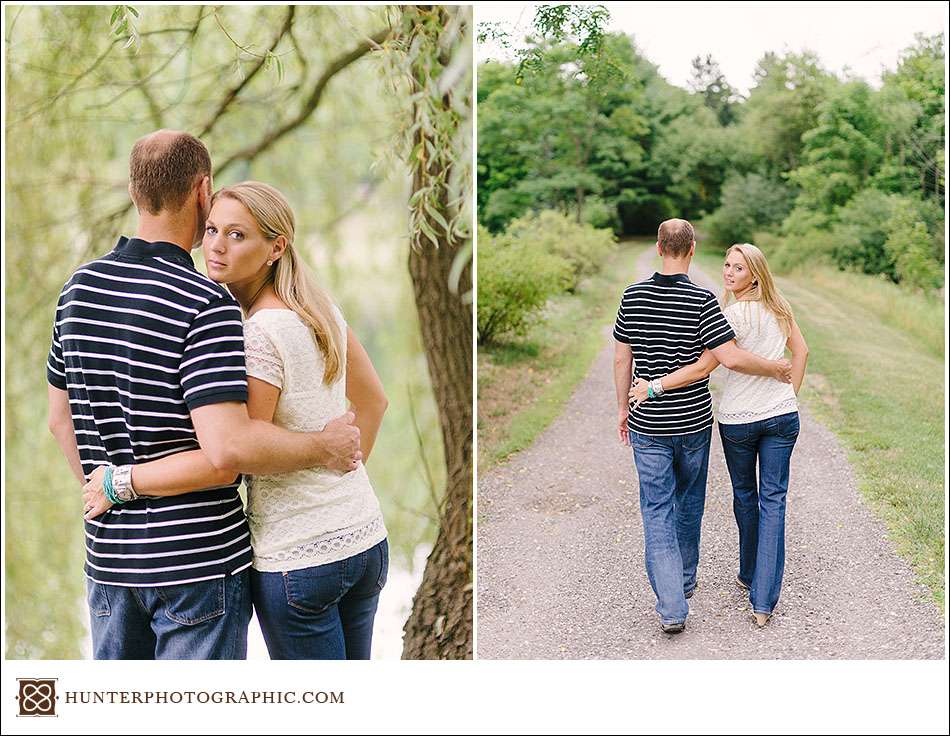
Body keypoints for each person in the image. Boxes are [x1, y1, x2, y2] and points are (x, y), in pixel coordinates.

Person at [46, 130, 361, 660]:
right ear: (203, 190)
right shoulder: (205, 301)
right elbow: (226, 455)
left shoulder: (78, 288)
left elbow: (60, 420)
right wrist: (322, 447)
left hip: (109, 564)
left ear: (133, 190)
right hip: (199, 567)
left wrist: (103, 490)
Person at [612, 219, 792, 634]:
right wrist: (777, 369)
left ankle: (673, 605)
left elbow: (623, 360)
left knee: (657, 509)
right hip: (692, 422)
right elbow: (724, 357)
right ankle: (686, 578)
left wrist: (623, 408)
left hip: (648, 423)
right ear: (691, 249)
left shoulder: (632, 296)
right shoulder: (704, 300)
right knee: (690, 503)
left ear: (659, 248)